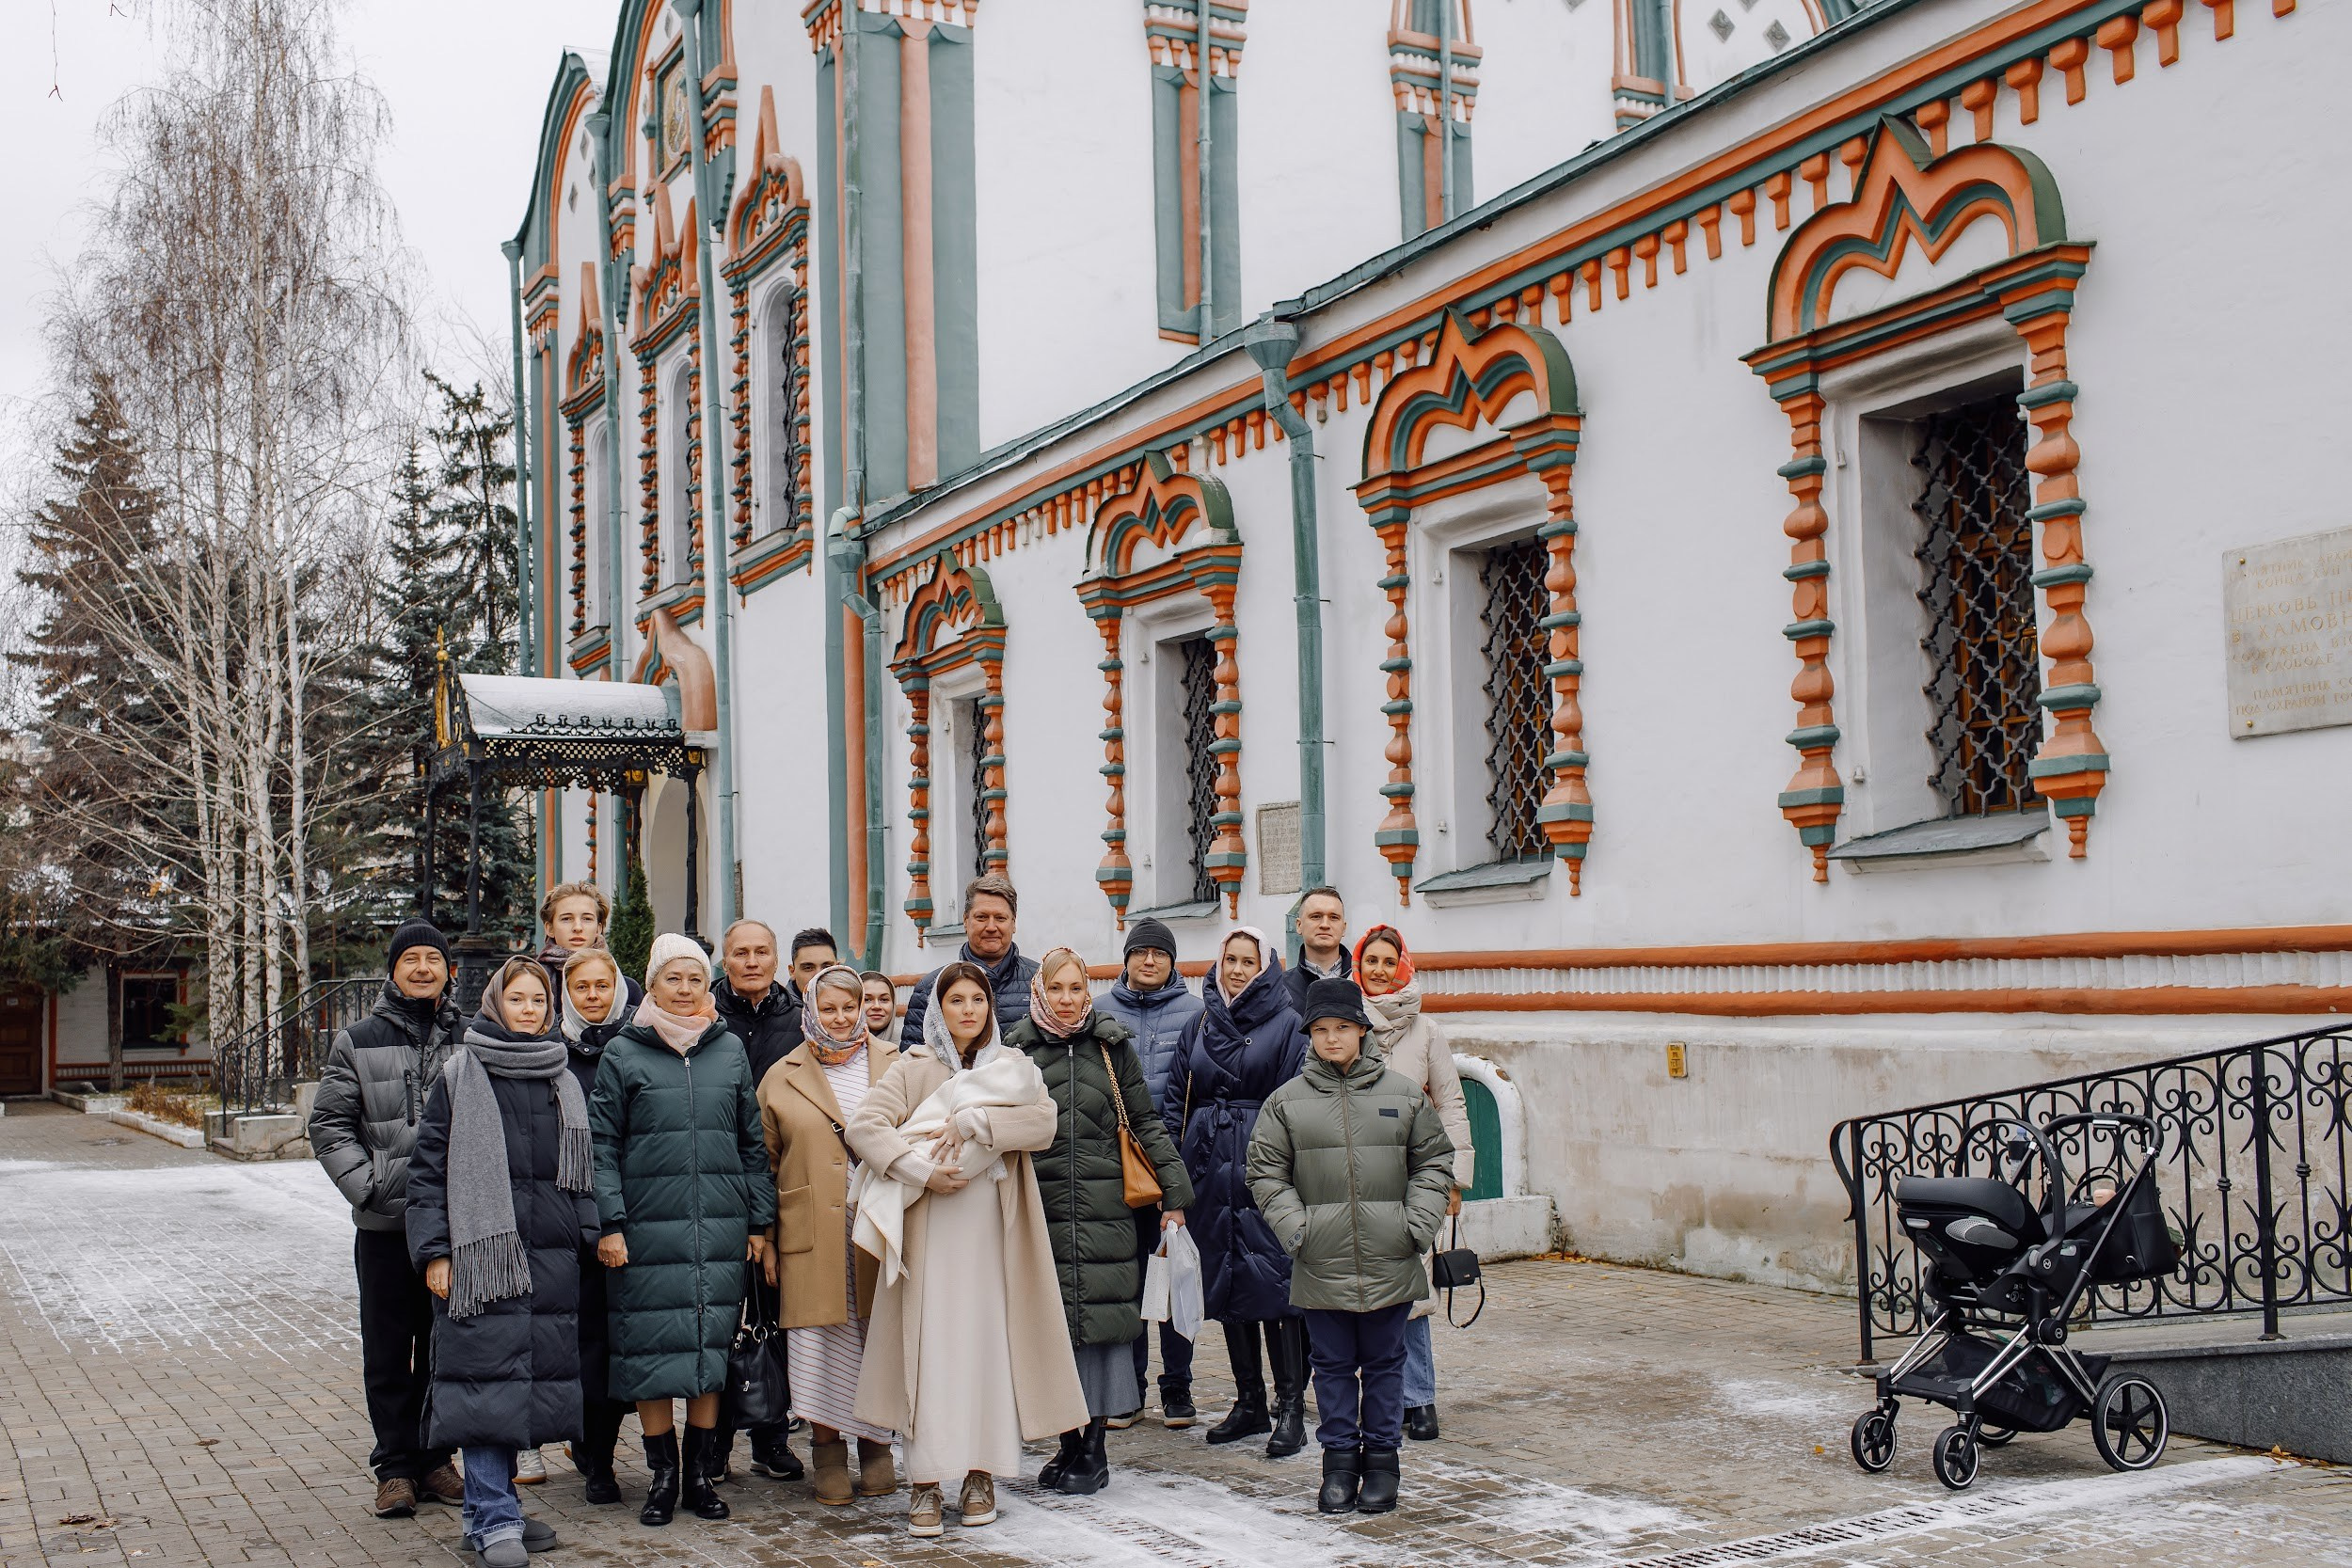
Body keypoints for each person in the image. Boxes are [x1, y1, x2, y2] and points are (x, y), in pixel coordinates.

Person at [847, 964, 1087, 1538]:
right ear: (938, 1007)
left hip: (992, 1229)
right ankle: (926, 1483)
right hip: (929, 1230)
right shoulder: (913, 1068)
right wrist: (921, 1171)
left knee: (987, 1348)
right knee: (929, 1353)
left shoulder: (1013, 1066)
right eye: (956, 1000)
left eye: (978, 999)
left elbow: (1042, 1123)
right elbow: (864, 1127)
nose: (969, 1010)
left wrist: (976, 1121)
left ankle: (981, 1475)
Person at [405, 958, 598, 1567]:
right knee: (486, 1389)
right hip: (482, 1260)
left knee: (520, 1390)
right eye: (518, 999)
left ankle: (488, 1512)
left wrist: (587, 1235)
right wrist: (435, 1251)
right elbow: (427, 1170)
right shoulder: (461, 1074)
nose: (530, 1009)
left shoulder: (560, 1074)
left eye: (539, 1000)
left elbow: (580, 1175)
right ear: (495, 1003)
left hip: (548, 1262)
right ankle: (495, 1518)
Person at [1247, 978, 1454, 1516]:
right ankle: (1338, 1464)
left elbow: (1433, 1159)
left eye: (1342, 1028)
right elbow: (1266, 1172)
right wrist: (1298, 1230)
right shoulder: (1286, 1103)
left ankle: (1383, 1463)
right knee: (1333, 1366)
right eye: (1321, 1030)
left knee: (1386, 1364)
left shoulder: (1403, 1094)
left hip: (1391, 1255)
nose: (1332, 1038)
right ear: (1310, 1035)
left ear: (1362, 1032)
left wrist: (1417, 1225)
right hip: (1322, 1260)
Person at [589, 934, 776, 1528]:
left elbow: (752, 1142)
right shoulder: (625, 1053)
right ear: (653, 982)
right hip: (647, 1230)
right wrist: (611, 1222)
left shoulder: (727, 1052)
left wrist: (758, 1220)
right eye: (674, 978)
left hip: (719, 1228)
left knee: (707, 1350)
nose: (687, 988)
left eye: (696, 978)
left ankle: (697, 1475)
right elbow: (601, 1145)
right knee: (652, 1352)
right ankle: (662, 1477)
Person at [1004, 948, 1194, 1495]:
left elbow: (1144, 1121)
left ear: (1088, 991)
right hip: (1040, 1209)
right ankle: (1068, 1444)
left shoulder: (1110, 1046)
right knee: (1055, 1330)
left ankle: (1094, 1451)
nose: (1067, 1000)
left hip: (1105, 1208)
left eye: (1076, 988)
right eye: (1057, 988)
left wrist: (1174, 1195)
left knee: (1103, 1327)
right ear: (1041, 989)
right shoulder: (1017, 1050)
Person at [308, 918, 467, 1518]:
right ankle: (394, 1467)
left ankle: (434, 1458)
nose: (423, 968)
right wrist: (367, 1187)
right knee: (387, 1348)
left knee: (443, 1345)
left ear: (449, 970)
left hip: (452, 1227)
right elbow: (328, 1124)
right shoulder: (358, 1038)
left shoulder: (472, 1038)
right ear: (393, 970)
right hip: (384, 1226)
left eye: (433, 958)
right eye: (411, 959)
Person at [1161, 927, 1312, 1459]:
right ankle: (1249, 1401)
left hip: (1264, 1165)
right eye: (1231, 959)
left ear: (1266, 966)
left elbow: (1299, 1098)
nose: (1239, 970)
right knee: (1227, 1282)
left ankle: (1290, 1406)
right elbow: (1177, 1096)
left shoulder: (1290, 1023)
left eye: (1249, 961)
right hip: (1208, 1166)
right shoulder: (1199, 1023)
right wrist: (1175, 1172)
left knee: (1277, 1285)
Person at [755, 964, 901, 1506]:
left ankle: (876, 1447)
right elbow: (762, 1164)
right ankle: (828, 1453)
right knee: (819, 1346)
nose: (840, 1018)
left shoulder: (895, 1064)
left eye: (850, 1007)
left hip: (877, 1228)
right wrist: (765, 1236)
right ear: (810, 1011)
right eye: (829, 1009)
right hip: (810, 1230)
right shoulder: (781, 1074)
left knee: (874, 1337)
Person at [521, 883, 634, 1487]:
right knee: (564, 1332)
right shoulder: (541, 1028)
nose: (578, 927)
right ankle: (541, 1441)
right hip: (559, 1207)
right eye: (566, 919)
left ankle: (596, 1452)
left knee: (611, 1336)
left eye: (588, 918)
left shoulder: (635, 1025)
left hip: (621, 1204)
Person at [1354, 925, 1475, 1442]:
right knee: (1368, 1289)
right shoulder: (1345, 1023)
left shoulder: (1426, 1032)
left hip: (1416, 1173)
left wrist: (1454, 1179)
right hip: (1358, 1173)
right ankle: (1380, 1398)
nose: (1379, 970)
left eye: (1389, 961)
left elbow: (1451, 1102)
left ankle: (1419, 1398)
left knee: (1415, 1287)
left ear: (1402, 966)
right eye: (1371, 961)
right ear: (1358, 965)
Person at [708, 917, 810, 1485]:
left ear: (778, 961)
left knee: (778, 1317)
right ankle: (715, 1443)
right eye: (741, 952)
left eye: (762, 952)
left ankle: (771, 1438)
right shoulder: (707, 1015)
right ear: (726, 961)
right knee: (725, 1321)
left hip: (781, 1179)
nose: (752, 961)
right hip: (720, 1184)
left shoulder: (797, 1018)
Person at [1093, 918, 1204, 1428]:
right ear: (1127, 958)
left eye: (1160, 953)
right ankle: (1130, 1389)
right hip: (1121, 1166)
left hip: (1176, 1159)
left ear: (1172, 961)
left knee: (1175, 1271)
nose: (1150, 961)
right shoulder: (1101, 1012)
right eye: (1141, 952)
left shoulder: (1197, 1013)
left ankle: (1177, 1387)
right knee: (1132, 1276)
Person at [557, 947, 635, 1505]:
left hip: (632, 1212)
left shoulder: (634, 1046)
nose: (592, 996)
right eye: (581, 987)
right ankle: (595, 1458)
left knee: (626, 1339)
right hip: (571, 1217)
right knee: (589, 1344)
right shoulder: (553, 1051)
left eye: (601, 986)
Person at [898, 875, 1038, 1047]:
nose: (991, 927)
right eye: (981, 917)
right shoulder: (931, 988)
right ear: (966, 921)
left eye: (1000, 918)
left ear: (1014, 923)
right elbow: (913, 1060)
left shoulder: (1040, 983)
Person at [1282, 887, 1352, 1015]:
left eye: (1334, 917)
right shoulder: (1281, 988)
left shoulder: (1363, 982)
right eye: (1316, 916)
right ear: (1299, 925)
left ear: (1344, 928)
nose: (1325, 924)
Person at [858, 971, 898, 1044]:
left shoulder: (908, 1045)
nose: (877, 1006)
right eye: (867, 1000)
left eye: (884, 999)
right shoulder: (837, 1045)